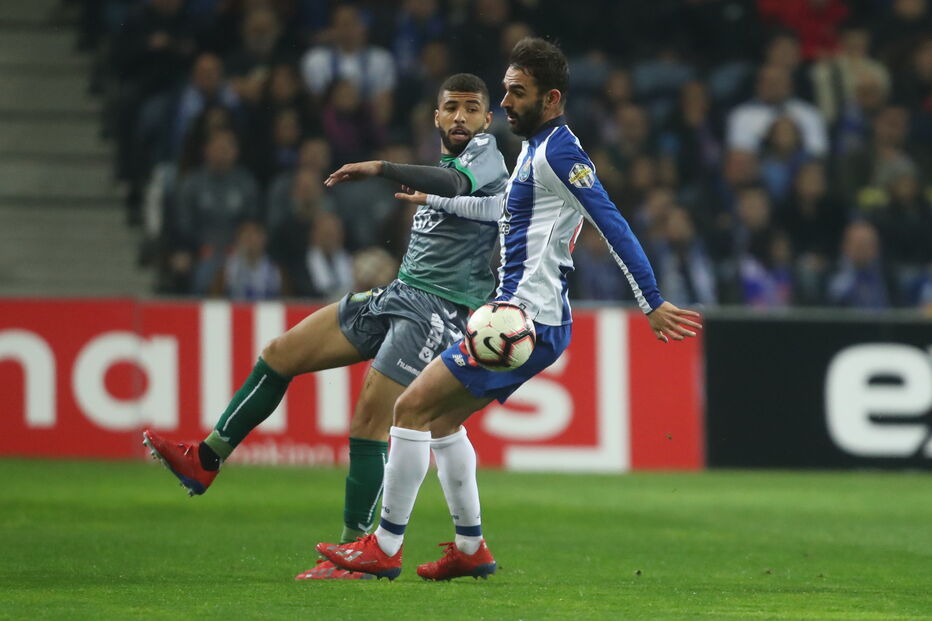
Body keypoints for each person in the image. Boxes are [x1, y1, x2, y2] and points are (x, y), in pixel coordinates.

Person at [317, 37, 701, 581]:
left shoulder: (559, 154)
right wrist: (435, 199)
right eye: (505, 91)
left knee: (409, 411)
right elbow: (502, 208)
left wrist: (652, 301)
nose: (505, 103)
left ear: (552, 99)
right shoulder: (534, 150)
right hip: (527, 320)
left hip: (521, 321)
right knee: (445, 420)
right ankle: (471, 548)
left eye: (517, 93)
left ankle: (383, 547)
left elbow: (612, 222)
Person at [142, 73, 509, 581]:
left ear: (487, 119)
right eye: (451, 108)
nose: (461, 117)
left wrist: (380, 167)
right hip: (399, 293)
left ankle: (355, 553)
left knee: (369, 424)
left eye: (472, 109)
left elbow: (452, 185)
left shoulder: (487, 154)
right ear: (436, 116)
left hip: (437, 311)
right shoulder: (445, 161)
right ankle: (205, 458)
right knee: (280, 353)